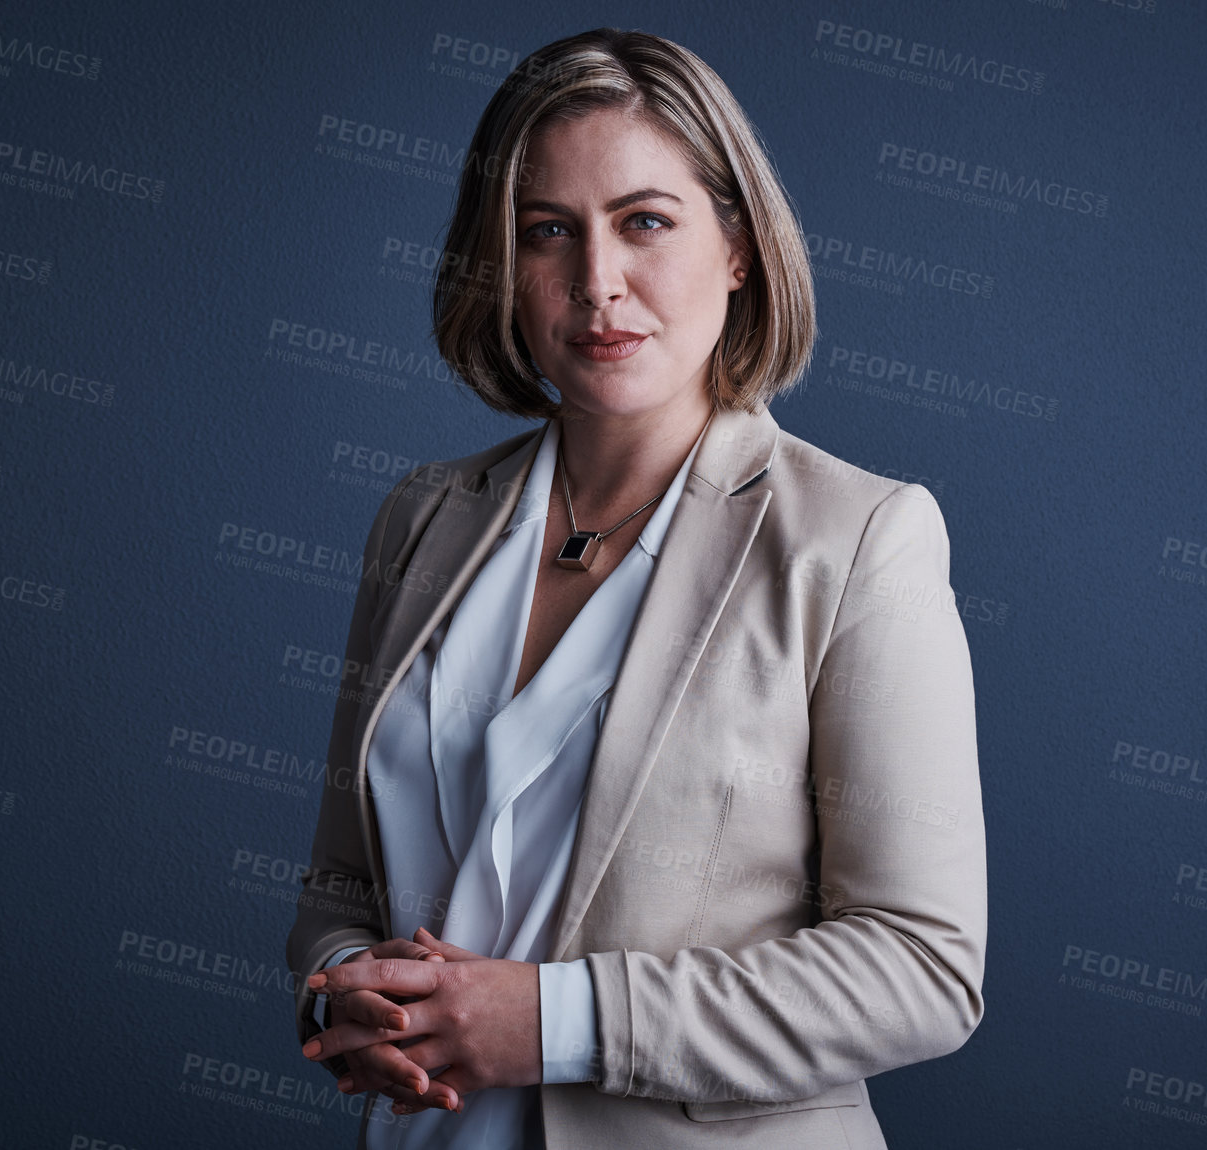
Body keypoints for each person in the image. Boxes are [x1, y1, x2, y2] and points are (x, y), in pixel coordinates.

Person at [284, 27, 987, 1150]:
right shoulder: (421, 518)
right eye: (547, 232)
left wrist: (556, 1020)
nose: (597, 283)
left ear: (741, 247)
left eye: (645, 221)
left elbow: (920, 965)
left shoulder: (860, 540)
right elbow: (342, 881)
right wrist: (340, 988)